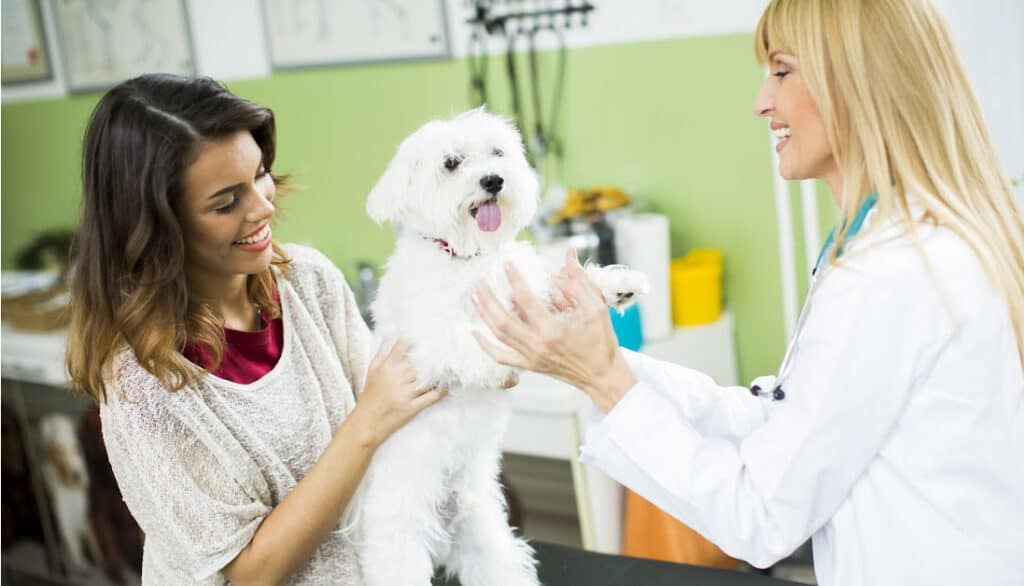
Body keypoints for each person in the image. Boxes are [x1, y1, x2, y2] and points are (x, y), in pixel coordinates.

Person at [471, 1, 1024, 585]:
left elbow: (759, 515)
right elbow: (777, 420)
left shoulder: (894, 272)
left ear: (861, 78)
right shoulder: (902, 239)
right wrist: (601, 363)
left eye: (782, 71)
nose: (762, 101)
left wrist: (601, 381)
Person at [65, 74, 449, 585]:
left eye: (261, 175)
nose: (264, 206)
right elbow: (250, 575)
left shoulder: (306, 280)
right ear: (156, 227)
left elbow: (394, 399)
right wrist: (367, 422)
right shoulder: (143, 383)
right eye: (226, 202)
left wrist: (479, 354)